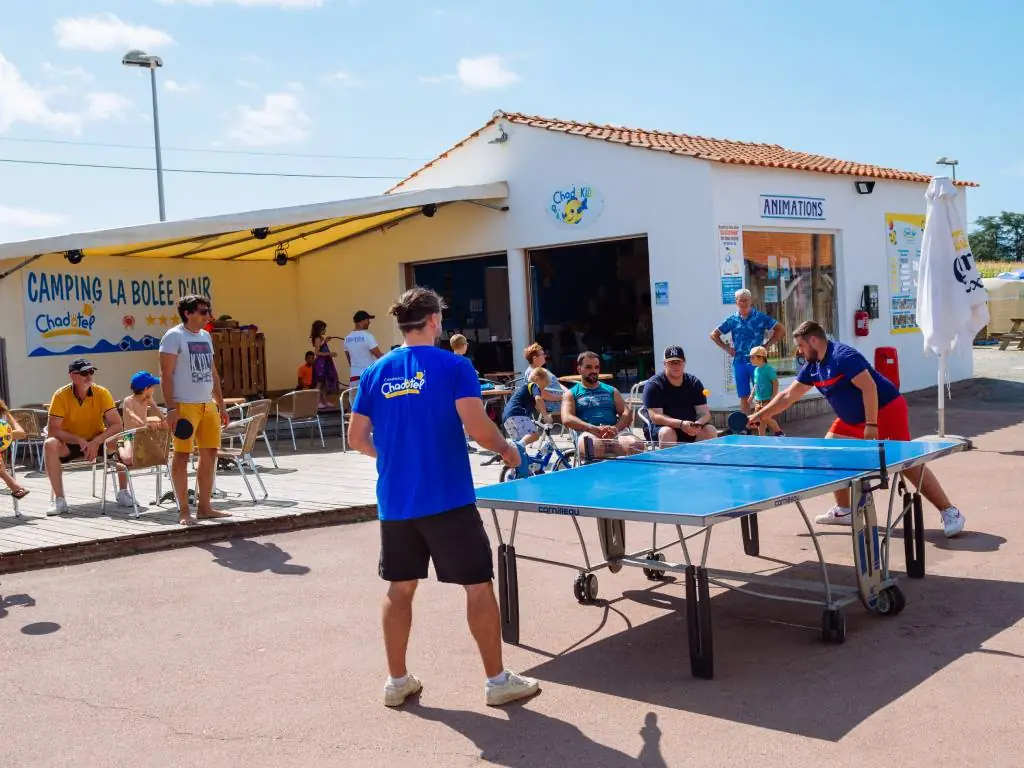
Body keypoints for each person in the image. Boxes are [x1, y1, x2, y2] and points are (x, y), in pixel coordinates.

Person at [347, 286, 539, 709]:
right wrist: (509, 450)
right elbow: (477, 428)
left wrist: (394, 456)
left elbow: (356, 438)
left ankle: (397, 681)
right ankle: (497, 681)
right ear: (434, 321)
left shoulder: (376, 372)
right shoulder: (455, 365)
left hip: (396, 503)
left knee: (400, 589)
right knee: (477, 587)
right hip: (448, 498)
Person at [749, 320, 965, 537]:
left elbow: (869, 387)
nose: (799, 351)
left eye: (802, 346)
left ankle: (949, 511)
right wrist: (759, 415)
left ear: (813, 340)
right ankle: (844, 511)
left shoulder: (843, 356)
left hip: (886, 409)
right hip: (852, 419)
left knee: (905, 462)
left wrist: (872, 424)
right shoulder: (813, 367)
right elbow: (788, 396)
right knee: (829, 451)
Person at [160, 294, 231, 527]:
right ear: (188, 313)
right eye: (202, 311)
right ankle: (183, 510)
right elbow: (166, 375)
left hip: (207, 404)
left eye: (208, 310)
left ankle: (205, 507)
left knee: (209, 454)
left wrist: (221, 404)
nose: (207, 315)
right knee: (182, 456)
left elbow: (213, 373)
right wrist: (171, 408)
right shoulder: (174, 336)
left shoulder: (206, 336)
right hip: (184, 405)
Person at [44, 358, 133, 516]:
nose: (89, 376)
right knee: (50, 444)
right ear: (72, 375)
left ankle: (123, 492)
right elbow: (53, 430)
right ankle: (60, 500)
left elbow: (117, 424)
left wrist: (96, 441)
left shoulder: (102, 392)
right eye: (84, 372)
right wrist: (79, 440)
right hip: (70, 444)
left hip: (97, 442)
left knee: (119, 438)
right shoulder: (60, 395)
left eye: (91, 371)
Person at [710, 288, 785, 414]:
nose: (744, 303)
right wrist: (727, 348)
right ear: (736, 302)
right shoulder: (732, 320)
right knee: (744, 395)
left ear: (751, 301)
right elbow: (714, 335)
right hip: (739, 362)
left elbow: (780, 330)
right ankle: (746, 425)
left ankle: (763, 422)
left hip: (758, 362)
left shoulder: (760, 317)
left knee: (761, 394)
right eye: (741, 300)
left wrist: (767, 346)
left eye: (747, 300)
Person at [561, 351, 643, 459]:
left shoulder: (611, 390)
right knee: (592, 446)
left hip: (614, 433)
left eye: (596, 367)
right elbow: (566, 418)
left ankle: (630, 475)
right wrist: (591, 428)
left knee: (636, 446)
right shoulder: (571, 393)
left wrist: (616, 429)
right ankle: (597, 475)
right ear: (579, 369)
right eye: (589, 367)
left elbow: (626, 413)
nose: (594, 371)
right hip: (588, 433)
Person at [641, 346, 717, 447]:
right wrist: (681, 424)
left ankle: (701, 462)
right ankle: (668, 463)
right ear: (665, 364)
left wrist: (697, 425)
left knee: (710, 430)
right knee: (667, 432)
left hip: (690, 427)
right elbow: (656, 417)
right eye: (671, 362)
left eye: (678, 362)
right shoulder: (654, 385)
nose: (675, 366)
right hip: (663, 429)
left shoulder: (694, 382)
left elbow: (704, 412)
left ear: (684, 362)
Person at [119, 370, 168, 467]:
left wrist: (164, 419)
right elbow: (132, 415)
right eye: (152, 387)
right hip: (130, 434)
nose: (154, 389)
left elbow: (157, 411)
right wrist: (144, 424)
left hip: (144, 433)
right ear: (145, 389)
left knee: (161, 457)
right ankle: (120, 446)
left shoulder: (147, 399)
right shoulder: (128, 401)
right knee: (128, 460)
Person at [502, 368, 552, 448]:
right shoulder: (533, 385)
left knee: (520, 447)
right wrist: (545, 416)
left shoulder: (526, 389)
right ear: (537, 379)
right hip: (517, 413)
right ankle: (515, 446)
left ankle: (512, 454)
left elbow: (537, 405)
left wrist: (544, 411)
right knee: (534, 435)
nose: (542, 389)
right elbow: (538, 399)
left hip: (507, 417)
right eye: (543, 386)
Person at [748, 346, 783, 437]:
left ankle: (779, 432)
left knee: (766, 418)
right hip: (758, 400)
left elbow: (775, 383)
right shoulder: (756, 370)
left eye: (752, 357)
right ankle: (761, 437)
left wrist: (773, 397)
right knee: (760, 420)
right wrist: (752, 395)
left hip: (767, 400)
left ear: (761, 357)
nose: (750, 359)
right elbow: (756, 384)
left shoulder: (769, 369)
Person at [344, 310, 384, 387]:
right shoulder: (367, 337)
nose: (369, 322)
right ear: (363, 321)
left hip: (354, 377)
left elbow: (349, 360)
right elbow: (378, 355)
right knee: (371, 399)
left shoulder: (347, 339)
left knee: (354, 399)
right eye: (368, 320)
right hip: (368, 376)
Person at [523, 343, 565, 415]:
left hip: (561, 400)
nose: (545, 356)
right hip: (553, 406)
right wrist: (562, 397)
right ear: (535, 358)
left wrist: (569, 392)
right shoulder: (532, 373)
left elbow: (556, 383)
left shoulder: (541, 370)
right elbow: (541, 394)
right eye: (542, 354)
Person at [0, 399, 29, 499]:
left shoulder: (3, 421)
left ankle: (14, 486)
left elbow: (21, 433)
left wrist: (4, 433)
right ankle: (14, 486)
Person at [309, 320, 341, 408]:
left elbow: (322, 345)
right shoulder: (317, 339)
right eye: (323, 329)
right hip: (321, 363)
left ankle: (324, 401)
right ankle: (317, 402)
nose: (325, 330)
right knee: (319, 384)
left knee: (323, 384)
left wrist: (326, 341)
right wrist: (329, 354)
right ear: (319, 330)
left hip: (325, 363)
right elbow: (317, 352)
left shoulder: (321, 339)